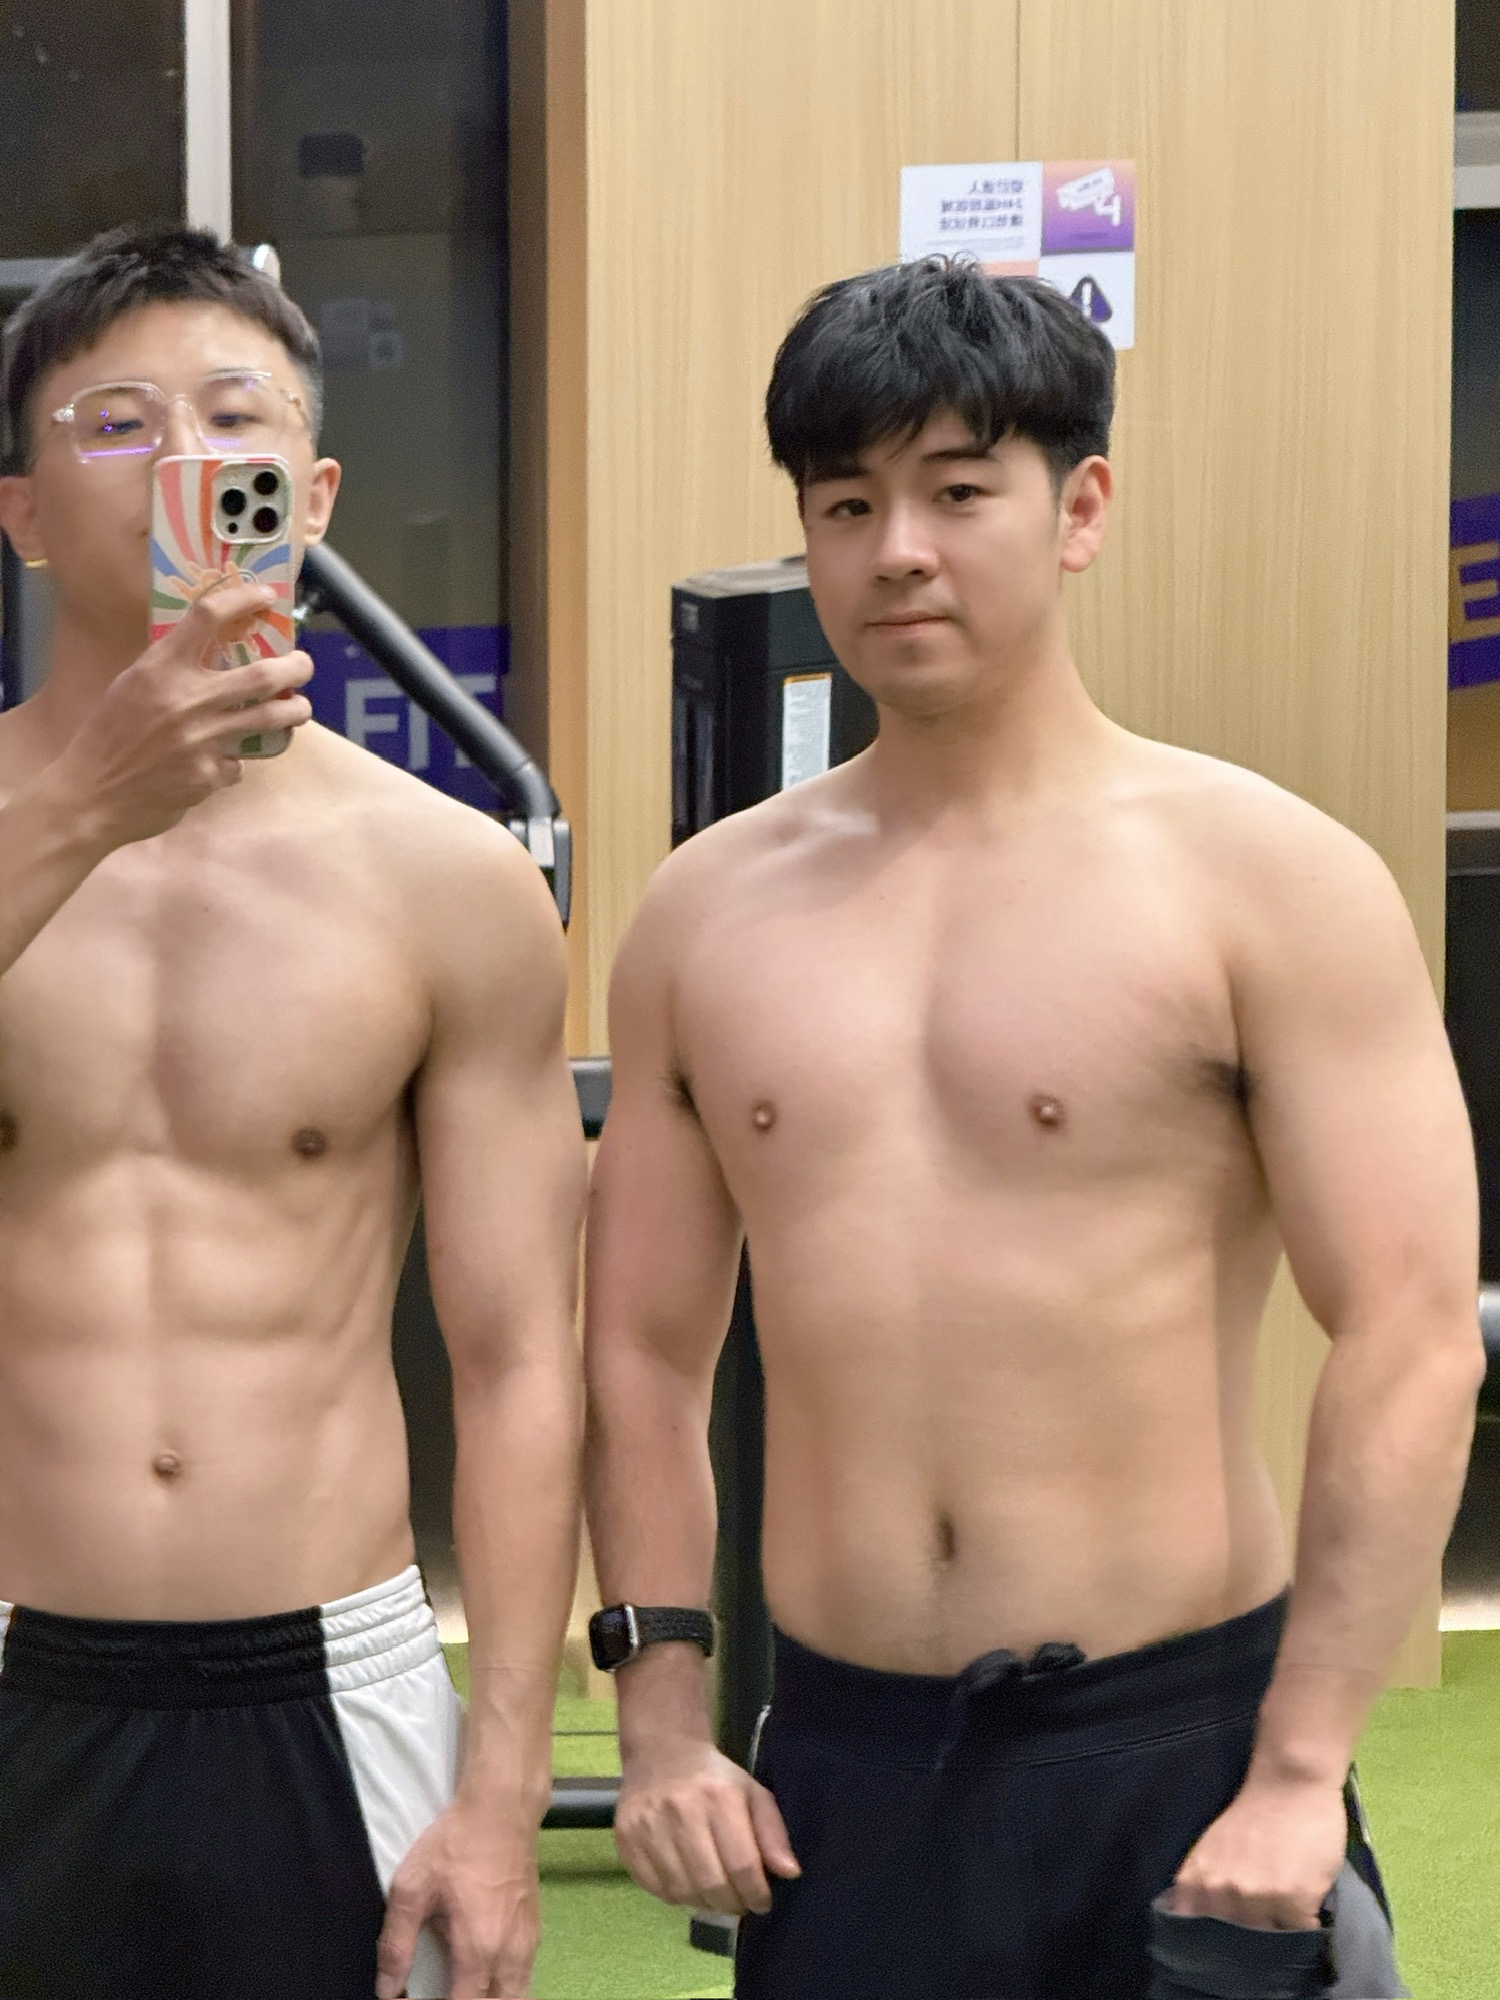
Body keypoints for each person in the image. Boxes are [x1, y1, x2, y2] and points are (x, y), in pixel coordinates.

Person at [582, 258, 1484, 2000]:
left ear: (1080, 510)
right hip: (841, 1766)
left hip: (1178, 1756)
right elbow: (640, 1349)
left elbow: (1411, 1331)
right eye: (847, 504)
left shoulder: (1269, 883)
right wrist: (665, 1721)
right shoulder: (704, 919)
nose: (897, 550)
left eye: (958, 491)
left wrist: (1301, 1770)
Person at [0, 224, 585, 2000]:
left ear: (309, 496)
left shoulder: (449, 879)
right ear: (23, 515)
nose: (182, 458)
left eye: (232, 416)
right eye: (115, 423)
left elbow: (520, 1358)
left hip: (335, 1678)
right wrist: (81, 809)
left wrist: (503, 1793)